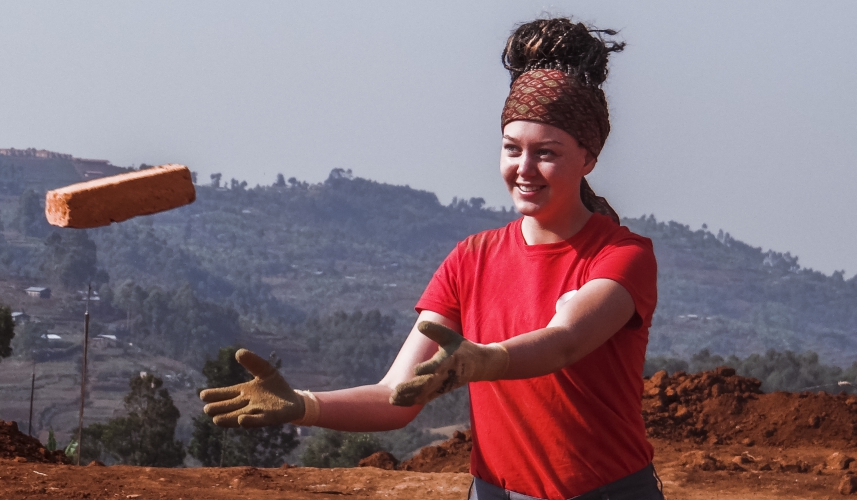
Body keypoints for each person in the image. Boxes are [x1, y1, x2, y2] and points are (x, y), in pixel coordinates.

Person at [199, 17, 663, 500]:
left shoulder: (622, 256)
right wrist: (302, 405)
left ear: (588, 159)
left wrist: (486, 360)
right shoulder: (471, 259)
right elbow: (398, 397)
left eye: (547, 153)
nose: (524, 169)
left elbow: (565, 341)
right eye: (511, 150)